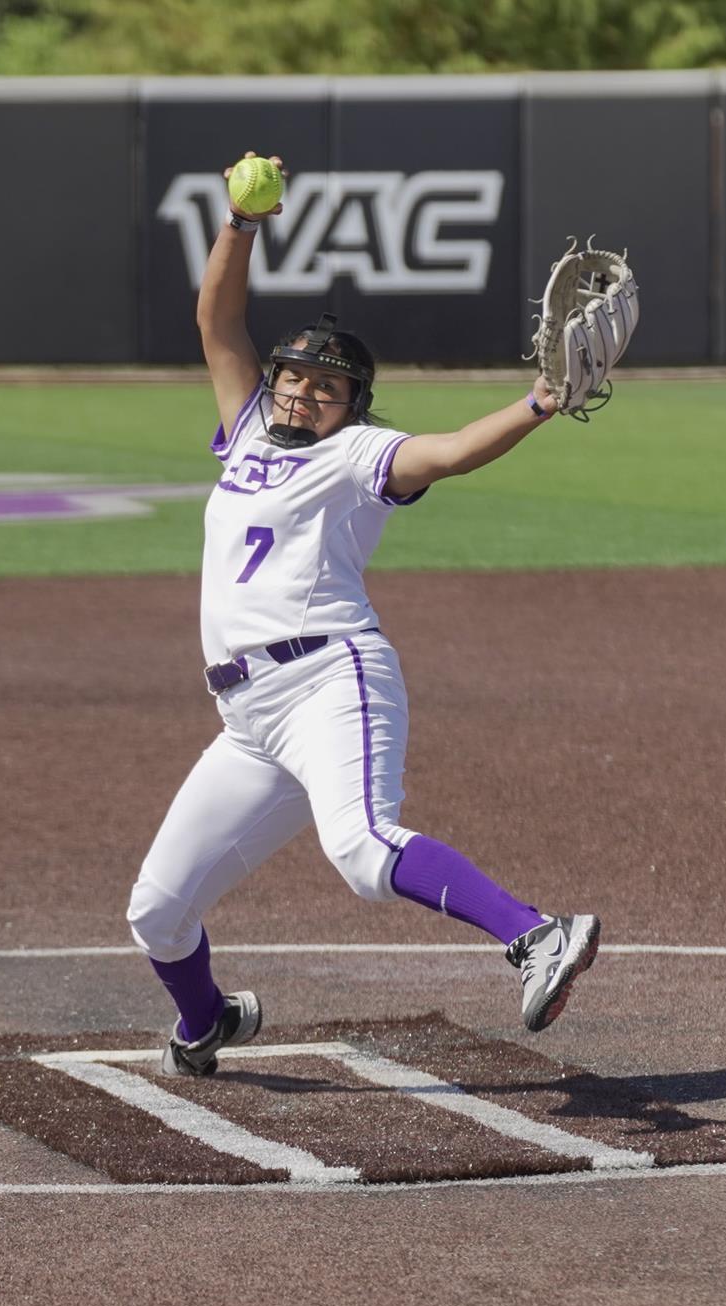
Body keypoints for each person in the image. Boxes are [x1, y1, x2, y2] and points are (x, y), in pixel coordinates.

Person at [126, 152, 601, 1078]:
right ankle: (209, 1017)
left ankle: (540, 934)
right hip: (247, 719)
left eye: (325, 386)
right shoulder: (250, 430)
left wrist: (543, 400)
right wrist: (240, 220)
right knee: (155, 907)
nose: (303, 391)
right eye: (294, 377)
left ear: (353, 407)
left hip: (328, 677)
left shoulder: (359, 457)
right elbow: (215, 318)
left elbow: (456, 450)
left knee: (361, 848)